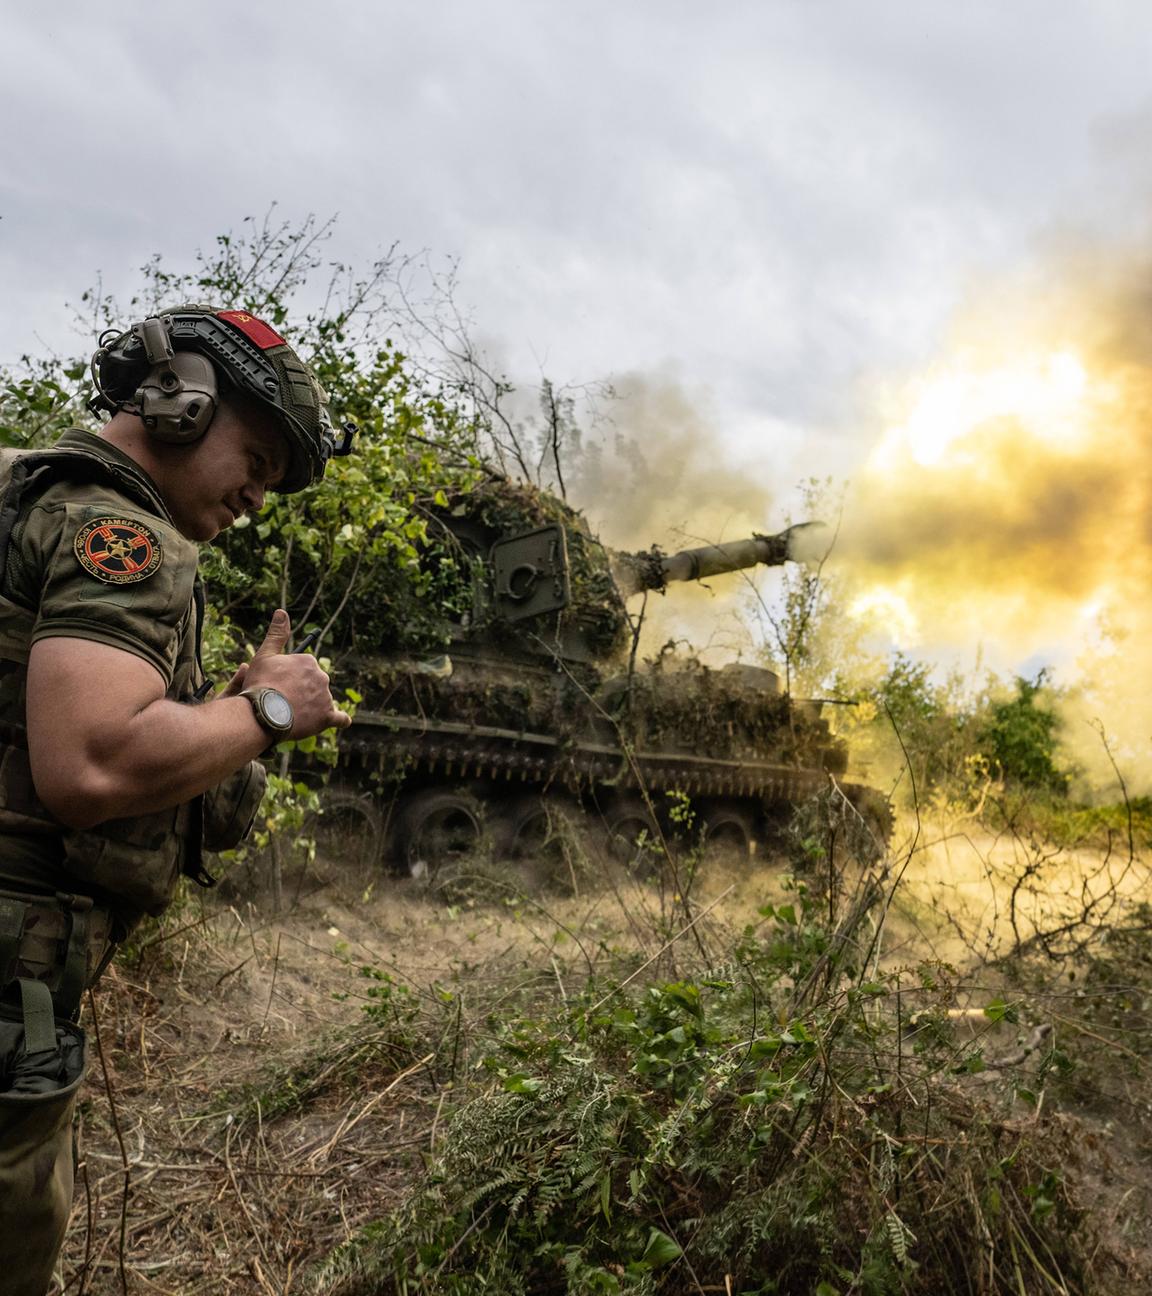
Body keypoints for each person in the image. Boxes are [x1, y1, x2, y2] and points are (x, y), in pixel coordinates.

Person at [0, 305, 354, 1295]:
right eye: (259, 455)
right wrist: (276, 709)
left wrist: (228, 712)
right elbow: (95, 765)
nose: (258, 494)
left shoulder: (23, 489)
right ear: (182, 400)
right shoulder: (119, 531)